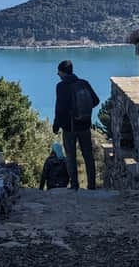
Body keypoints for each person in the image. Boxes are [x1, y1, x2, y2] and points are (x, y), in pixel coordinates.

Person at [52, 60, 99, 190]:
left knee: (71, 156)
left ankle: (74, 185)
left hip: (69, 127)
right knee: (88, 155)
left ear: (63, 72)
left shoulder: (61, 86)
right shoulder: (84, 83)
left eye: (59, 72)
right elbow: (96, 101)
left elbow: (59, 109)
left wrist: (56, 125)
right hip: (84, 125)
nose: (58, 74)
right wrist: (83, 110)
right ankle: (92, 185)